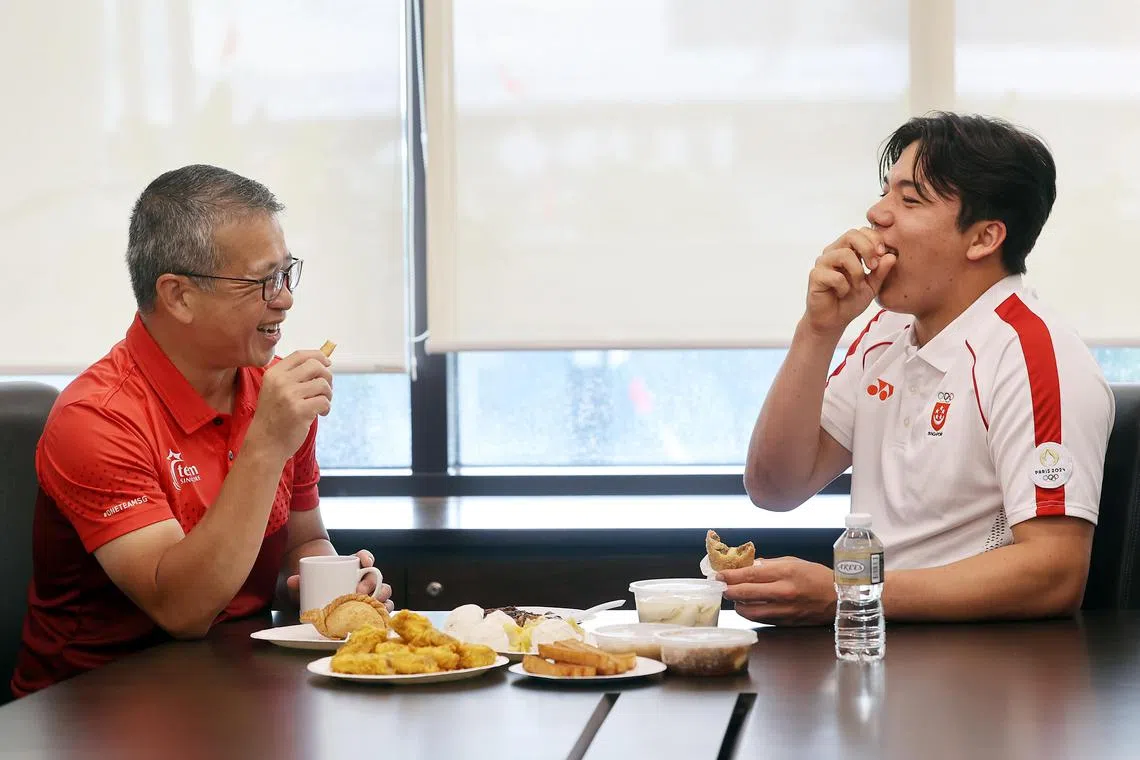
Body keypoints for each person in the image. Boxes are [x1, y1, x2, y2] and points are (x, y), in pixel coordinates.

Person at [11, 165, 391, 697]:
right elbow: (182, 611)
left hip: (237, 687)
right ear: (179, 296)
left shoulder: (270, 389)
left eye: (287, 273)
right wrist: (265, 441)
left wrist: (336, 588)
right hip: (94, 709)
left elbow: (302, 540)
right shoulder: (97, 417)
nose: (284, 299)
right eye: (261, 281)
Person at [734, 112, 1114, 625]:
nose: (876, 213)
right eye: (885, 193)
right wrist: (817, 330)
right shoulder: (886, 331)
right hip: (876, 644)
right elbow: (775, 488)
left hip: (983, 673)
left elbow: (1056, 571)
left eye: (909, 200)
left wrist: (853, 592)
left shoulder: (1033, 356)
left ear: (983, 238)